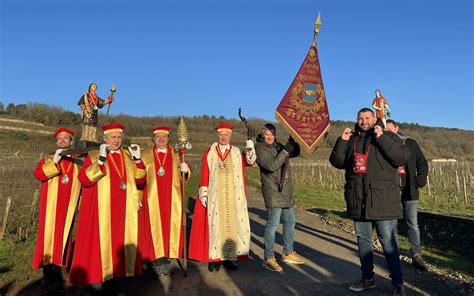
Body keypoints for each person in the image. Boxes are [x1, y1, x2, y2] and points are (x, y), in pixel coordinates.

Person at [329, 108, 410, 296]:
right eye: (360, 118)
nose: (364, 121)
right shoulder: (353, 139)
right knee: (363, 242)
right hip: (359, 199)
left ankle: (398, 284)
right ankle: (368, 279)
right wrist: (342, 141)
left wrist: (382, 138)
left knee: (389, 243)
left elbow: (401, 158)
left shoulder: (389, 136)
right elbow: (337, 162)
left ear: (375, 119)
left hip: (383, 200)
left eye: (367, 118)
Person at [69, 123, 146, 293]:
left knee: (121, 249)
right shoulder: (95, 154)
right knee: (100, 248)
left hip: (124, 211)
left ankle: (119, 286)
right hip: (102, 211)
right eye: (113, 137)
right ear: (105, 139)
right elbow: (85, 179)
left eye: (119, 137)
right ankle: (98, 284)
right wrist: (102, 160)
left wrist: (138, 160)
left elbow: (140, 180)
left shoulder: (127, 156)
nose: (117, 141)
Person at [189, 123, 256, 272]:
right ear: (217, 136)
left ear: (230, 136)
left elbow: (250, 161)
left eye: (226, 135)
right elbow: (205, 173)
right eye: (221, 135)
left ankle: (229, 259)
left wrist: (250, 147)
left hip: (233, 197)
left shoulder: (237, 152)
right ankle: (215, 259)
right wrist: (204, 193)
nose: (223, 137)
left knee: (232, 227)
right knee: (216, 227)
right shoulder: (209, 153)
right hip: (215, 196)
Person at [138, 126, 191, 276]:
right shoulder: (145, 155)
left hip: (171, 198)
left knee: (169, 228)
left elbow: (184, 177)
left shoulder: (177, 155)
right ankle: (157, 259)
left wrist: (185, 170)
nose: (161, 139)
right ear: (153, 139)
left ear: (168, 138)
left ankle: (167, 255)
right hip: (152, 198)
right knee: (153, 228)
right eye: (158, 137)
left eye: (164, 137)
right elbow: (138, 176)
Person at [33, 128, 82, 286]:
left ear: (71, 141)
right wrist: (54, 162)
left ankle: (60, 268)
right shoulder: (48, 158)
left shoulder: (77, 161)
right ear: (56, 142)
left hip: (68, 208)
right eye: (59, 139)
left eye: (65, 139)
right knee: (47, 238)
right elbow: (39, 175)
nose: (62, 141)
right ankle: (47, 272)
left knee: (65, 237)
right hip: (51, 207)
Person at [254, 123, 305, 272]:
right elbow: (271, 165)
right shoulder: (260, 148)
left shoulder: (278, 145)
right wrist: (286, 150)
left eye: (272, 134)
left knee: (290, 221)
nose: (269, 137)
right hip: (273, 191)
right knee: (272, 224)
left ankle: (288, 253)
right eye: (267, 134)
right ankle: (268, 257)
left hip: (285, 191)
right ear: (262, 135)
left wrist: (294, 142)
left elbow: (292, 153)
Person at [385, 119, 429, 272]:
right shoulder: (383, 145)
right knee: (392, 224)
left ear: (397, 128)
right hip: (392, 191)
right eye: (386, 131)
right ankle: (394, 254)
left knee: (412, 224)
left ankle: (416, 254)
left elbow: (423, 163)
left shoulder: (411, 143)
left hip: (410, 189)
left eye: (391, 130)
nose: (389, 133)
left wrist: (420, 181)